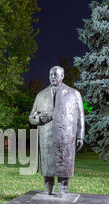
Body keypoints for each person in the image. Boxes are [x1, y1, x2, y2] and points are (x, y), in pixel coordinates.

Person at [29, 66, 85, 195]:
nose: (53, 77)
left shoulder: (73, 94)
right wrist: (39, 119)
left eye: (56, 74)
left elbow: (80, 116)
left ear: (62, 76)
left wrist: (80, 136)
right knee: (48, 171)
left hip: (66, 137)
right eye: (51, 75)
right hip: (46, 138)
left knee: (64, 169)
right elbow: (31, 117)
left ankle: (63, 194)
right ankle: (48, 193)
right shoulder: (41, 95)